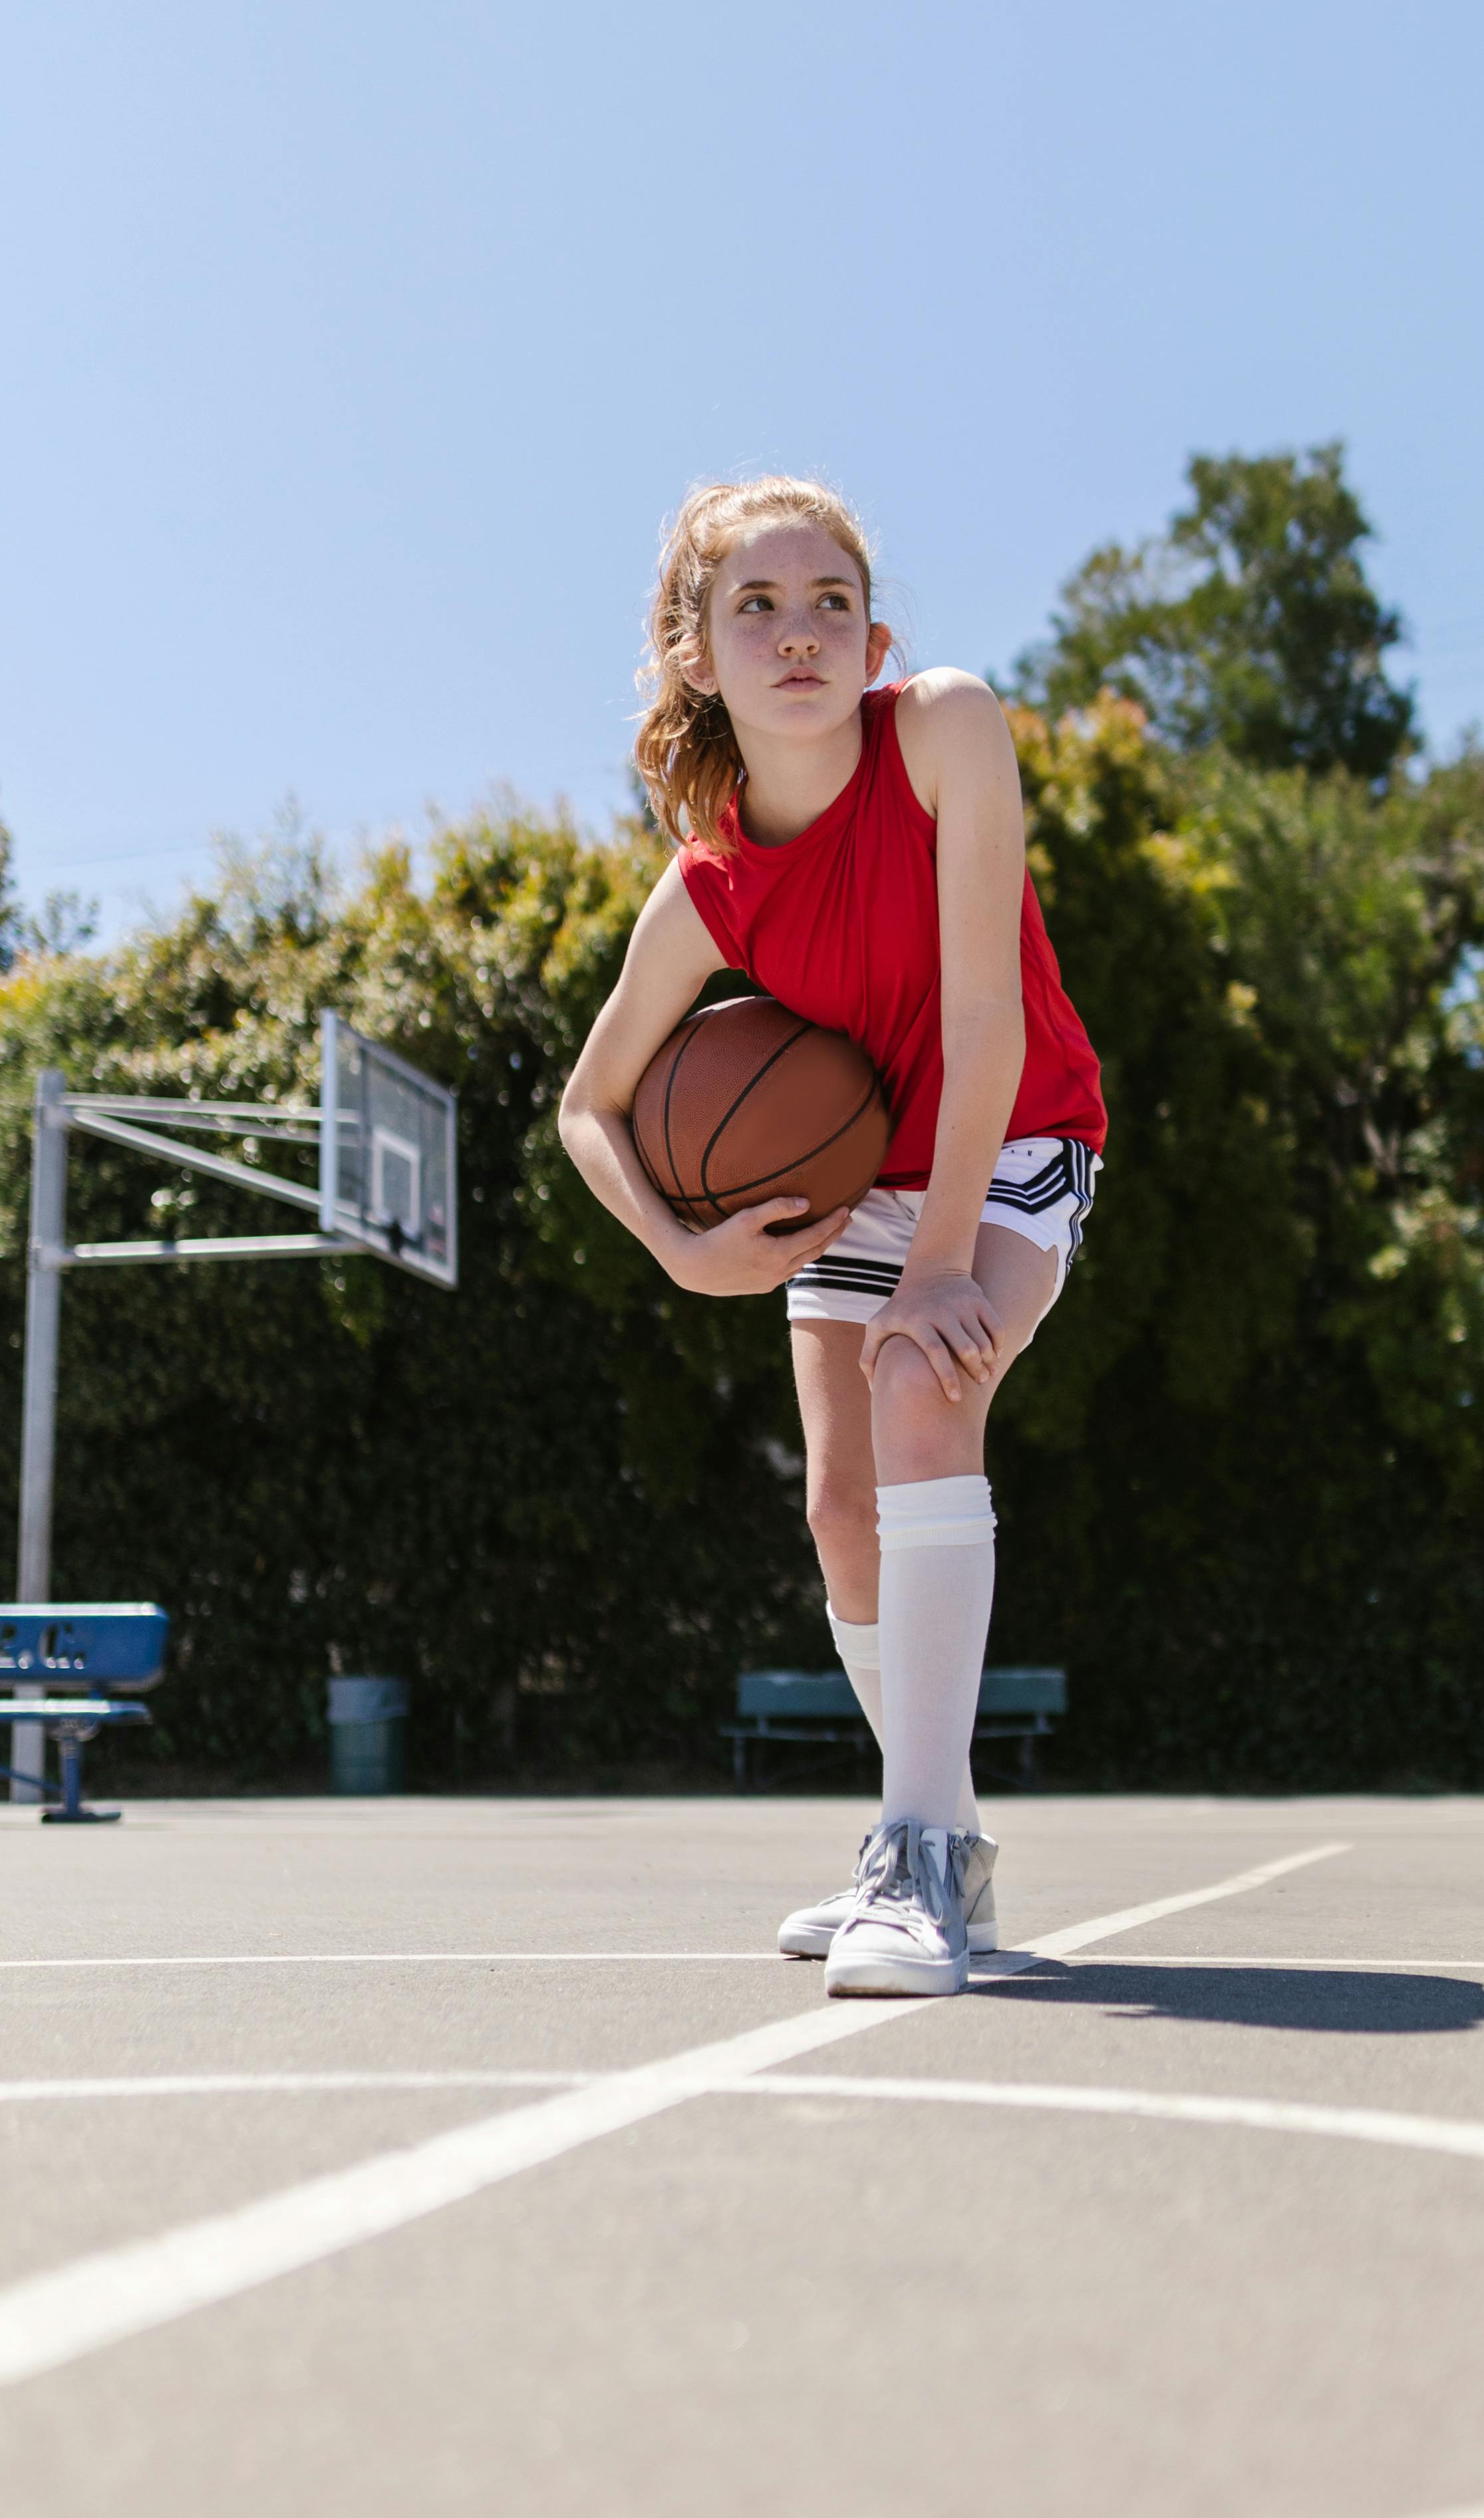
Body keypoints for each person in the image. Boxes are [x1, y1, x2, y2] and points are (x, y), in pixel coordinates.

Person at [558, 476, 1105, 1996]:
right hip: (858, 1177)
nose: (798, 633)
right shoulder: (710, 885)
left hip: (1007, 1138)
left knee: (923, 1387)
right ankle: (947, 1837)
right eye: (756, 607)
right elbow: (587, 1107)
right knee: (841, 1521)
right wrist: (681, 1247)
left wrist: (937, 1263)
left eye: (829, 605)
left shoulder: (942, 729)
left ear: (874, 638)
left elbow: (986, 1015)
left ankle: (916, 1856)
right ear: (694, 652)